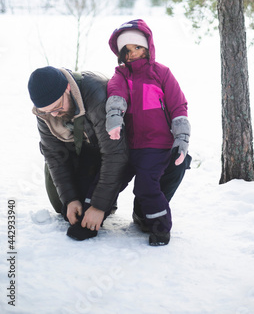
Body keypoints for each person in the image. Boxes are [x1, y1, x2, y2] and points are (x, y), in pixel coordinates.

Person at [28, 66, 191, 242]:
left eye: (57, 107)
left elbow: (116, 153)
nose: (53, 114)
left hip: (126, 146)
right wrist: (70, 199)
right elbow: (54, 155)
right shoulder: (45, 111)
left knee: (173, 161)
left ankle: (143, 212)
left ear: (68, 88)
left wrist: (98, 205)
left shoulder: (96, 93)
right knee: (68, 209)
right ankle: (96, 195)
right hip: (86, 152)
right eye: (46, 111)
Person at [106, 19, 191, 246]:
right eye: (127, 50)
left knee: (146, 186)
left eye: (137, 48)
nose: (132, 54)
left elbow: (178, 106)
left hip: (156, 145)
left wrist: (181, 137)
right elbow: (116, 95)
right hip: (129, 145)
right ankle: (94, 214)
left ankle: (160, 229)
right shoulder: (121, 75)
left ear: (147, 47)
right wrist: (114, 119)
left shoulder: (161, 73)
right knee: (109, 180)